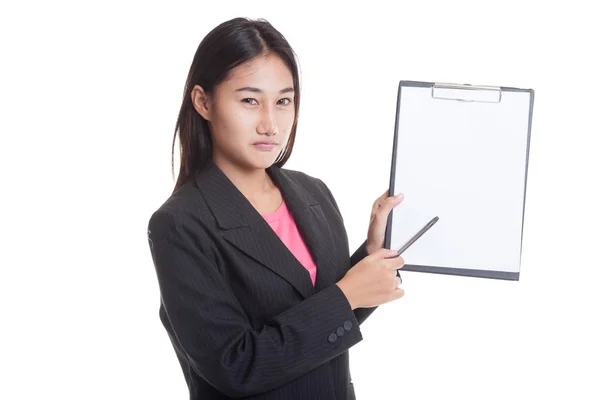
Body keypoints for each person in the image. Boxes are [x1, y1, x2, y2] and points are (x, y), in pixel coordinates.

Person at [146, 17, 406, 400]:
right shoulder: (180, 224)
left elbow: (324, 313)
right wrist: (348, 295)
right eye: (250, 100)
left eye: (283, 101)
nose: (270, 124)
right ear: (203, 102)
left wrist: (371, 255)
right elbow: (236, 366)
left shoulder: (312, 193)